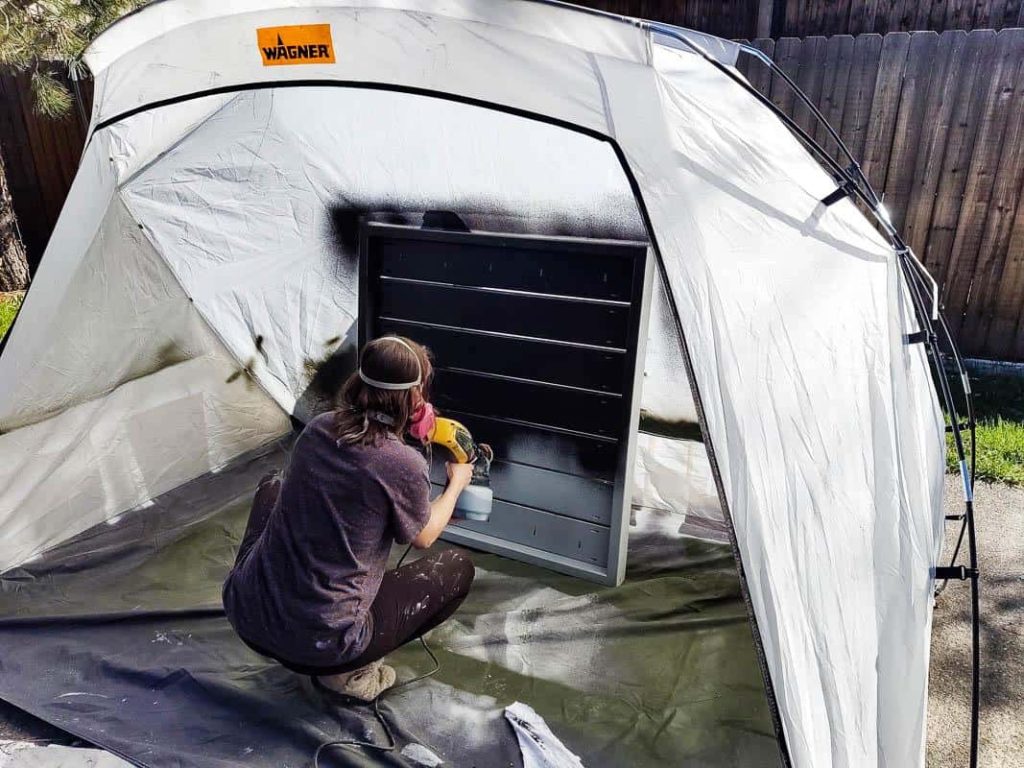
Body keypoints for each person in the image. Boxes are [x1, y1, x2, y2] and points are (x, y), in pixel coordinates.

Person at [222, 335, 476, 701]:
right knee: (458, 568)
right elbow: (423, 536)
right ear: (415, 399)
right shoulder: (404, 464)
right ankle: (349, 674)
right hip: (326, 642)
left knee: (272, 488)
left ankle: (286, 611)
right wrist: (455, 486)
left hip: (247, 614)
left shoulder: (318, 429)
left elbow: (350, 475)